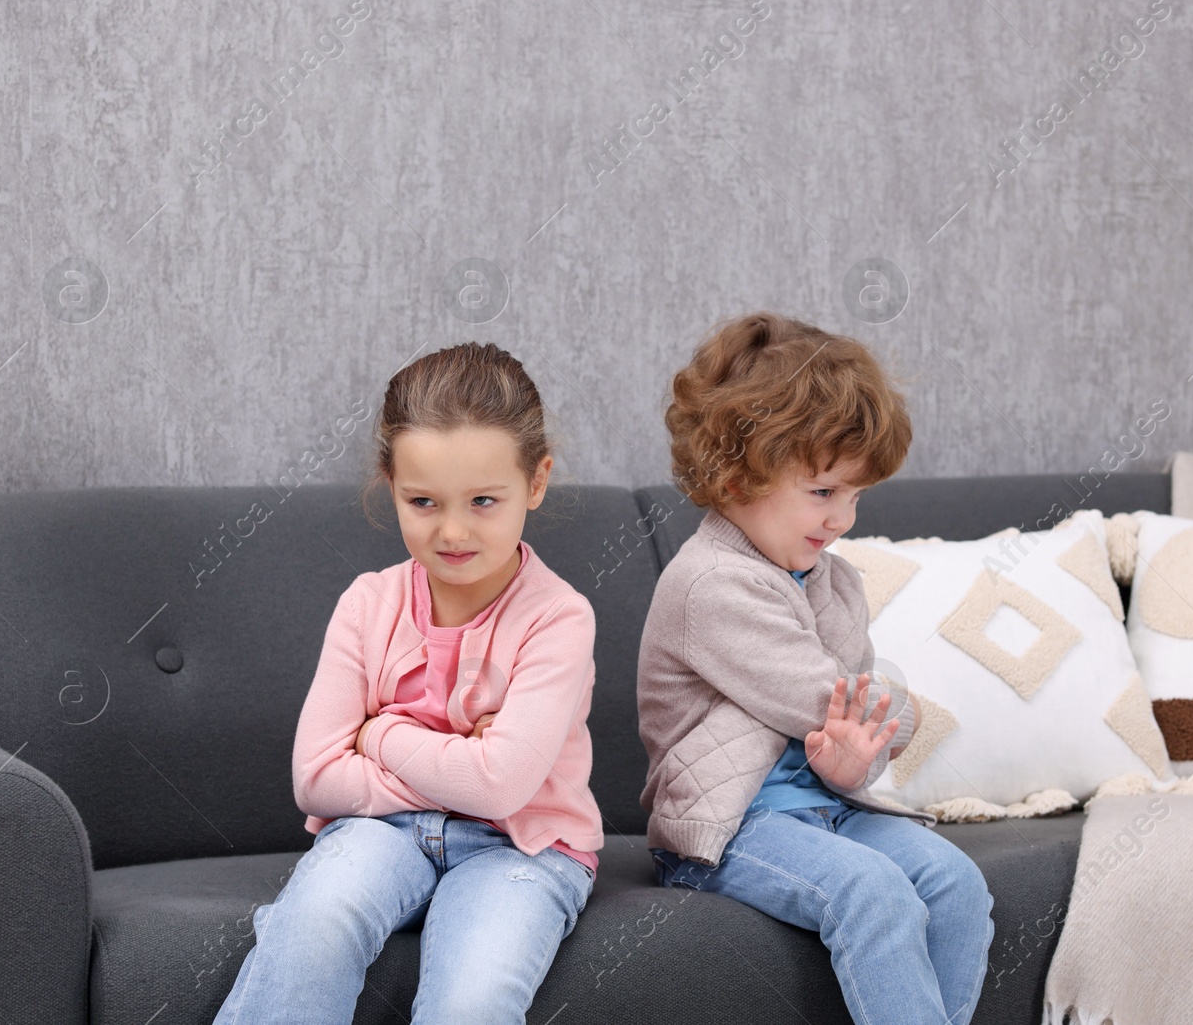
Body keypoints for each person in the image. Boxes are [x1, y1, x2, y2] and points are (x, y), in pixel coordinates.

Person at [214, 342, 603, 1024]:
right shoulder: (368, 603)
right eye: (423, 501)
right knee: (312, 926)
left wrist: (384, 732)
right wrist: (465, 765)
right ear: (390, 484)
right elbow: (315, 778)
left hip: (523, 844)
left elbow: (500, 789)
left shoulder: (559, 618)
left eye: (484, 500)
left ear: (536, 482)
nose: (452, 530)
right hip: (381, 832)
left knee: (471, 1002)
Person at [638, 311, 995, 1024]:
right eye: (824, 491)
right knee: (874, 893)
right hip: (728, 831)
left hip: (829, 812)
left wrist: (848, 765)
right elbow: (834, 702)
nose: (844, 519)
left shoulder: (835, 583)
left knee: (957, 884)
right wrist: (904, 713)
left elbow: (849, 739)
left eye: (857, 496)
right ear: (737, 474)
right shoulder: (712, 584)